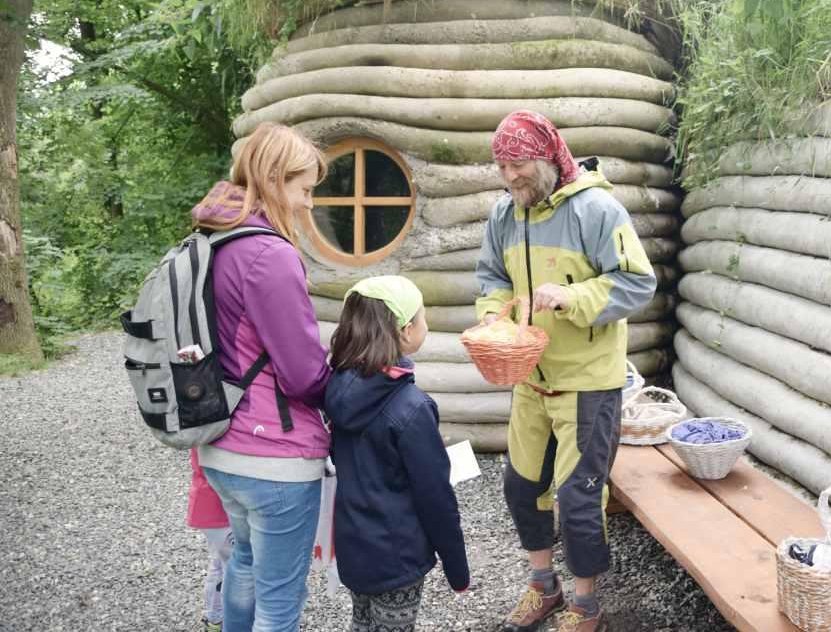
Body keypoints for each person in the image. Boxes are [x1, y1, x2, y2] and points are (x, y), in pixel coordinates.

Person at [475, 111, 657, 632]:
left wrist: (573, 295)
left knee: (579, 496)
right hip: (530, 377)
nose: (511, 178)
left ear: (548, 157)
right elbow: (491, 277)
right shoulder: (504, 215)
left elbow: (638, 283)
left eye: (520, 166)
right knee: (520, 484)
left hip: (586, 381)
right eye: (503, 167)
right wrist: (494, 318)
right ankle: (543, 587)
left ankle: (586, 605)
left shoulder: (597, 209)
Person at [192, 122, 332, 632]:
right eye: (304, 189)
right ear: (274, 179)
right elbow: (302, 375)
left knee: (244, 569)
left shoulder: (214, 240)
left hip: (219, 444)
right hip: (272, 456)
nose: (308, 204)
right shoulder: (269, 254)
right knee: (279, 602)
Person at [324, 275, 470, 632]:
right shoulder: (412, 409)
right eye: (422, 317)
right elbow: (435, 496)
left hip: (354, 546)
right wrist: (457, 569)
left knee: (362, 624)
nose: (426, 324)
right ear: (406, 331)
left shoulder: (336, 386)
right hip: (397, 556)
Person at [186, 450, 232, 632]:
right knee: (235, 568)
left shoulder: (203, 425)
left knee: (220, 564)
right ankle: (229, 621)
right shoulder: (220, 424)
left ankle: (214, 618)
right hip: (219, 508)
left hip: (207, 504)